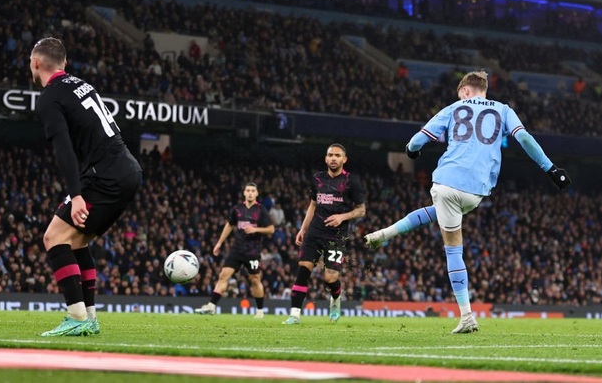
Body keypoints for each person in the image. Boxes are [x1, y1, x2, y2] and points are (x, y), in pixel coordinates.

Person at [364, 70, 571, 334]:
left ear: (465, 91)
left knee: (453, 248)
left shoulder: (454, 107)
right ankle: (383, 235)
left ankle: (466, 316)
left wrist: (411, 151)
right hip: (476, 192)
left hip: (447, 182)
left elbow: (419, 139)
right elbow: (524, 139)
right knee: (439, 213)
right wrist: (552, 170)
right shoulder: (504, 110)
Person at [31, 37, 142, 336]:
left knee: (53, 237)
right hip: (126, 168)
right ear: (64, 63)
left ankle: (77, 316)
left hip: (105, 175)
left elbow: (63, 150)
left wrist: (77, 194)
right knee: (77, 242)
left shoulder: (50, 97)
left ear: (36, 62)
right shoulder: (82, 85)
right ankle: (89, 318)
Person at [283, 143, 366, 325]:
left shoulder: (352, 181)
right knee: (303, 270)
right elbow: (313, 205)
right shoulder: (318, 178)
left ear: (344, 159)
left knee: (330, 278)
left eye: (337, 155)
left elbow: (361, 210)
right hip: (315, 232)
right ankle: (294, 315)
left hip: (337, 236)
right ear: (326, 158)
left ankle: (336, 299)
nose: (333, 158)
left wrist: (342, 217)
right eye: (330, 155)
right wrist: (303, 229)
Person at [195, 182, 275, 318]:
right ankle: (212, 306)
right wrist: (219, 243)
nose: (250, 193)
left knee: (255, 279)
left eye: (252, 191)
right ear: (244, 193)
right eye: (248, 190)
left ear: (256, 194)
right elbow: (229, 225)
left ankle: (260, 311)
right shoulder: (237, 209)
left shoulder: (261, 210)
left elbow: (271, 229)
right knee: (223, 275)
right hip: (237, 249)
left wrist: (255, 229)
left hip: (253, 251)